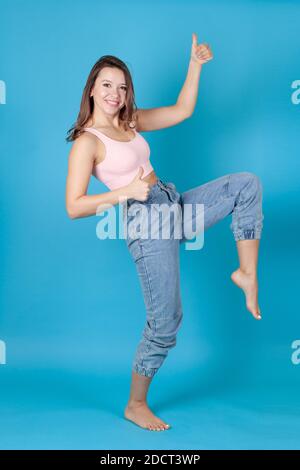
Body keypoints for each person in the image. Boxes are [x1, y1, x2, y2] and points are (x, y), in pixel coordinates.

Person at [65, 33, 264, 432]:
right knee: (166, 321)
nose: (115, 93)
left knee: (246, 184)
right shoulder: (87, 142)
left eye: (121, 87)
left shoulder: (129, 121)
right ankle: (136, 403)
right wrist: (125, 192)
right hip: (146, 220)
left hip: (170, 203)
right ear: (91, 89)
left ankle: (246, 273)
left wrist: (195, 65)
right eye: (107, 85)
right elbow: (74, 206)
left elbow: (182, 110)